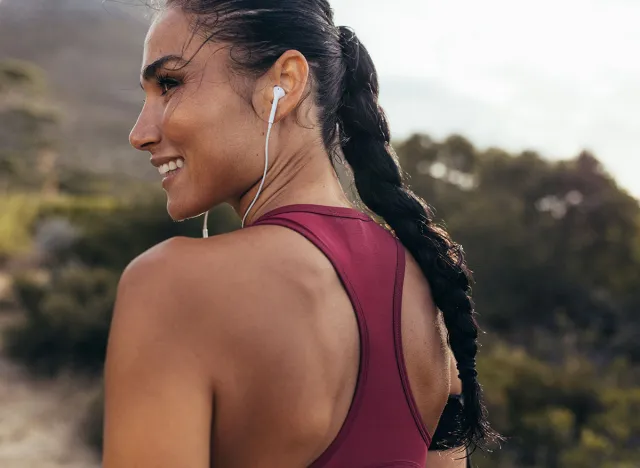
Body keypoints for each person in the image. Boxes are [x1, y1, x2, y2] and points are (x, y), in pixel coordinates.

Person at [103, 1, 498, 467]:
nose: (139, 132)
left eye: (169, 83)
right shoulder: (427, 289)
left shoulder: (171, 286)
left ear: (284, 83)